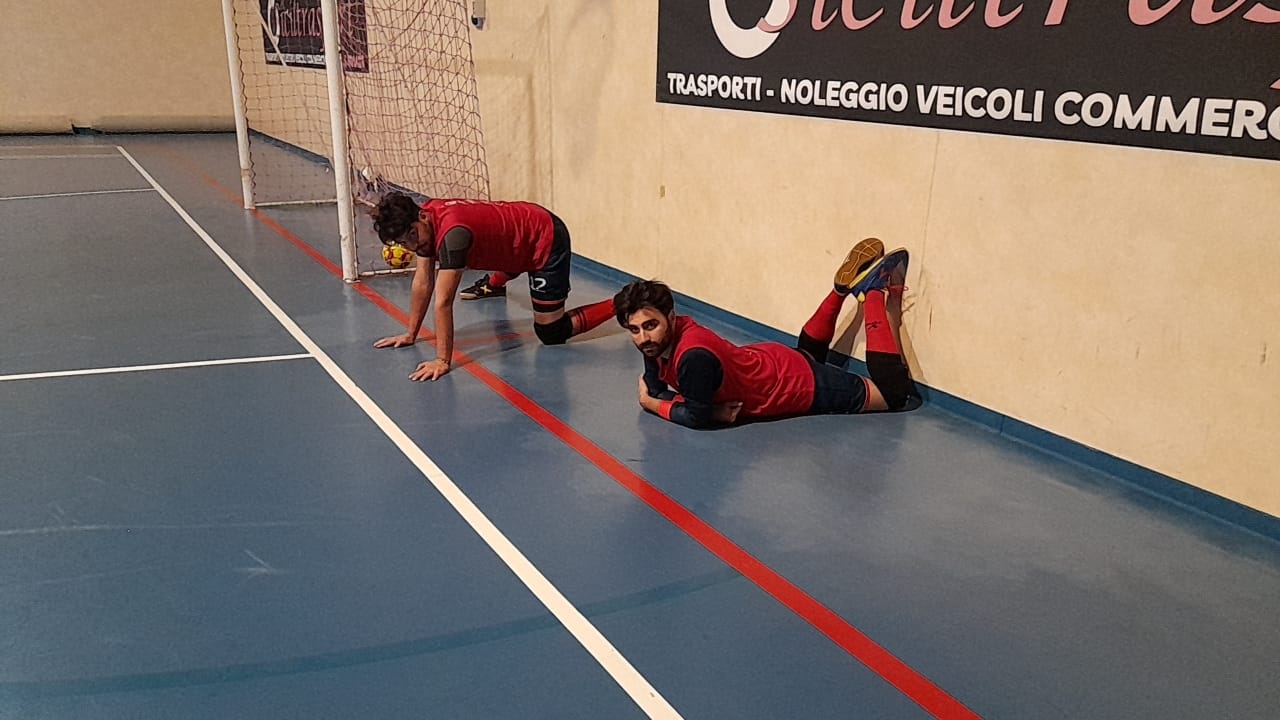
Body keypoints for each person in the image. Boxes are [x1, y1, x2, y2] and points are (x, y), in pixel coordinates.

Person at [613, 239, 921, 428]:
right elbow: (659, 388)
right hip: (771, 360)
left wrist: (654, 405)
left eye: (650, 326)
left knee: (894, 395)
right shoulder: (657, 343)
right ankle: (839, 291)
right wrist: (706, 410)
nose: (643, 338)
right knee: (807, 357)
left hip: (795, 385)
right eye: (634, 330)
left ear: (671, 316)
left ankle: (873, 292)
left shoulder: (693, 358)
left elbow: (691, 415)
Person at [372, 192, 615, 381]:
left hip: (543, 237)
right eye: (404, 243)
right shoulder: (425, 225)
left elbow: (443, 301)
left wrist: (442, 360)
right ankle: (496, 283)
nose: (413, 246)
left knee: (551, 333)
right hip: (514, 240)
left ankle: (622, 301)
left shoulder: (453, 234)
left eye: (413, 235)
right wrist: (410, 333)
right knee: (504, 251)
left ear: (422, 217)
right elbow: (423, 282)